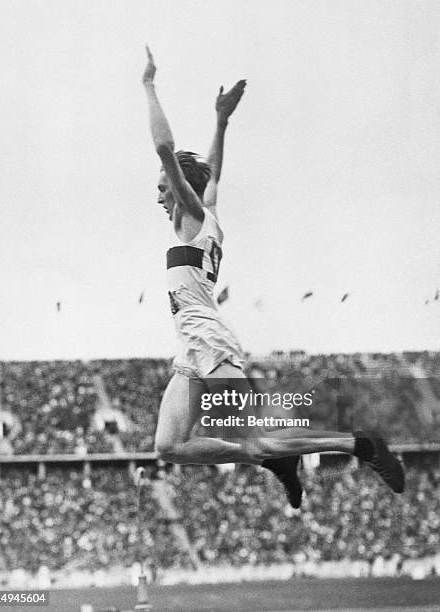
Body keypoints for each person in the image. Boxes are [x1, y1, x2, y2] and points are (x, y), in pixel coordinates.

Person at [142, 47, 404, 507]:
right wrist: (221, 123)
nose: (159, 196)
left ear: (181, 190)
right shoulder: (208, 212)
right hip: (193, 344)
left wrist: (148, 84)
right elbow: (213, 172)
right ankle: (270, 462)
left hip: (209, 338)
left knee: (260, 438)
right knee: (169, 446)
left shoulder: (190, 214)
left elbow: (166, 149)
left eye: (164, 188)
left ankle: (360, 445)